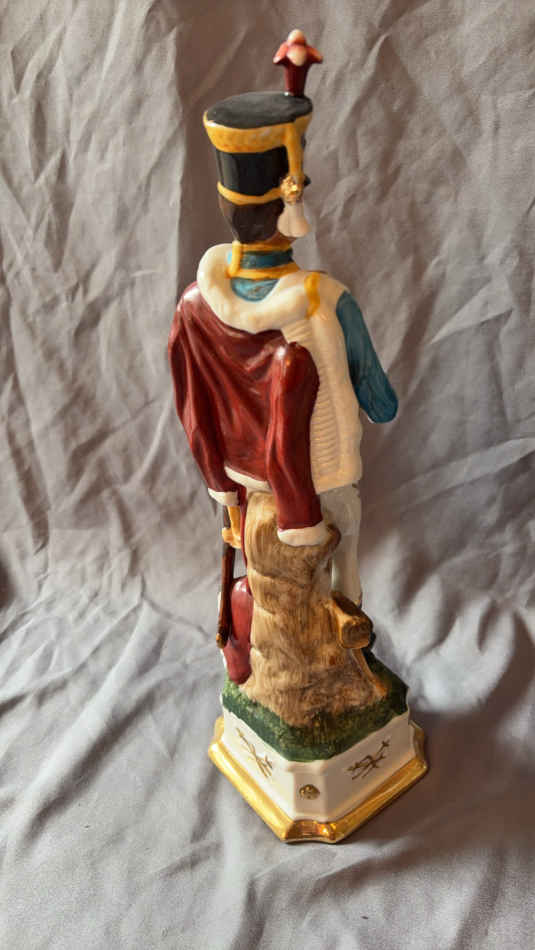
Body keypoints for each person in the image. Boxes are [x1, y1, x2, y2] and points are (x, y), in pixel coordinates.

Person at [168, 30, 397, 610]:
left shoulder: (192, 304)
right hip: (317, 487)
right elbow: (382, 404)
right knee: (347, 525)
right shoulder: (327, 301)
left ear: (226, 205)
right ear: (291, 201)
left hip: (241, 486)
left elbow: (193, 407)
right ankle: (348, 609)